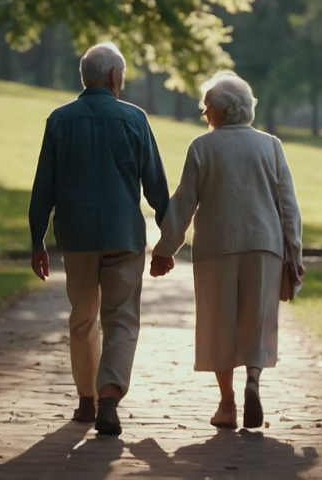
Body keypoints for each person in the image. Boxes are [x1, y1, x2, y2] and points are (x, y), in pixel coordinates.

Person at [28, 42, 170, 436]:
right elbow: (156, 185)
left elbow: (44, 187)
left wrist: (37, 241)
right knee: (121, 320)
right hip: (124, 235)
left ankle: (86, 400)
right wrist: (167, 240)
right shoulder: (134, 118)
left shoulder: (59, 120)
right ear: (113, 77)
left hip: (76, 237)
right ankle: (109, 395)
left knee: (83, 318)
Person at [149, 72, 304, 430]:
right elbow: (289, 207)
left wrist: (164, 250)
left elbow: (184, 202)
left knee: (218, 324)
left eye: (207, 107)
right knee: (257, 319)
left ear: (222, 110)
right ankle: (253, 379)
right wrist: (294, 255)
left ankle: (227, 403)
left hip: (216, 247)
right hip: (265, 246)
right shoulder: (271, 146)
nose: (204, 114)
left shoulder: (203, 147)